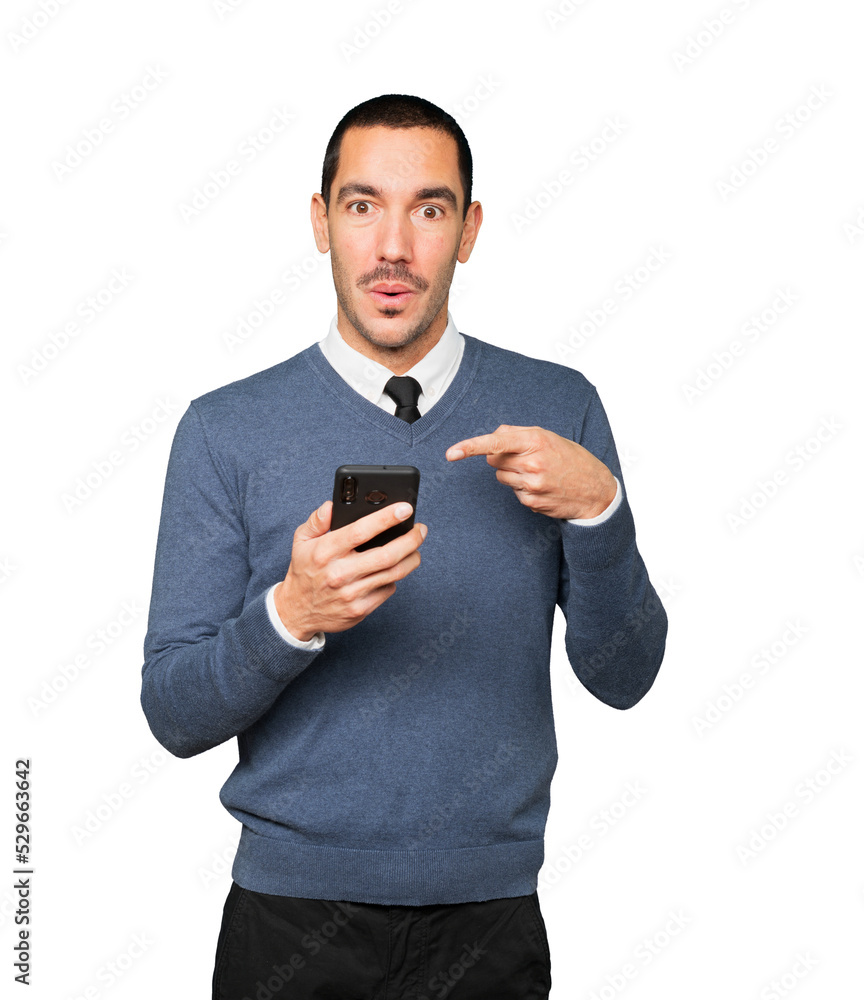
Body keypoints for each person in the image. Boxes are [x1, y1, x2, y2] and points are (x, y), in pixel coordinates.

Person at [140, 93, 668, 1000]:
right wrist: (290, 617)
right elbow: (173, 714)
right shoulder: (224, 431)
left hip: (490, 922)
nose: (393, 246)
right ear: (321, 223)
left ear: (468, 231)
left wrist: (602, 512)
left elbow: (625, 678)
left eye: (428, 209)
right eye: (362, 206)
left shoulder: (560, 408)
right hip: (288, 923)